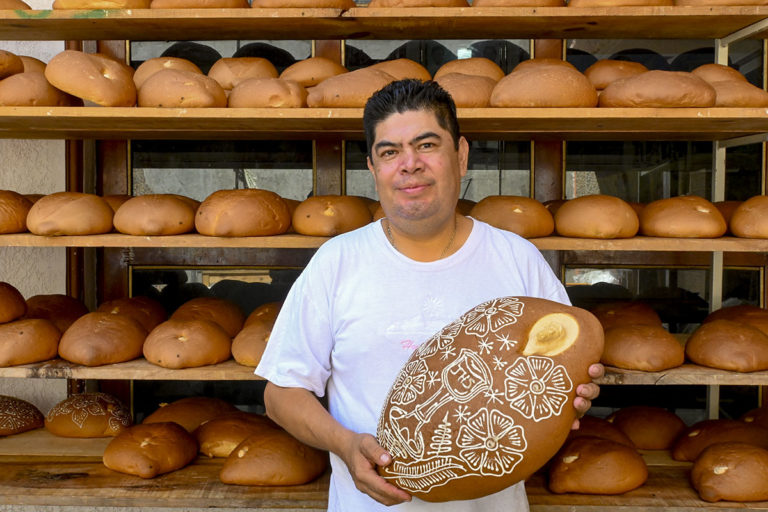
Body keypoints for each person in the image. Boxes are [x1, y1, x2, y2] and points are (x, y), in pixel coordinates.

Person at [256, 79, 604, 511]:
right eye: (389, 152)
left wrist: (575, 395)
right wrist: (345, 446)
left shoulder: (516, 257)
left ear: (460, 155)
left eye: (426, 145)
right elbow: (281, 392)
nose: (409, 165)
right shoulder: (338, 261)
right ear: (372, 167)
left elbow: (564, 367)